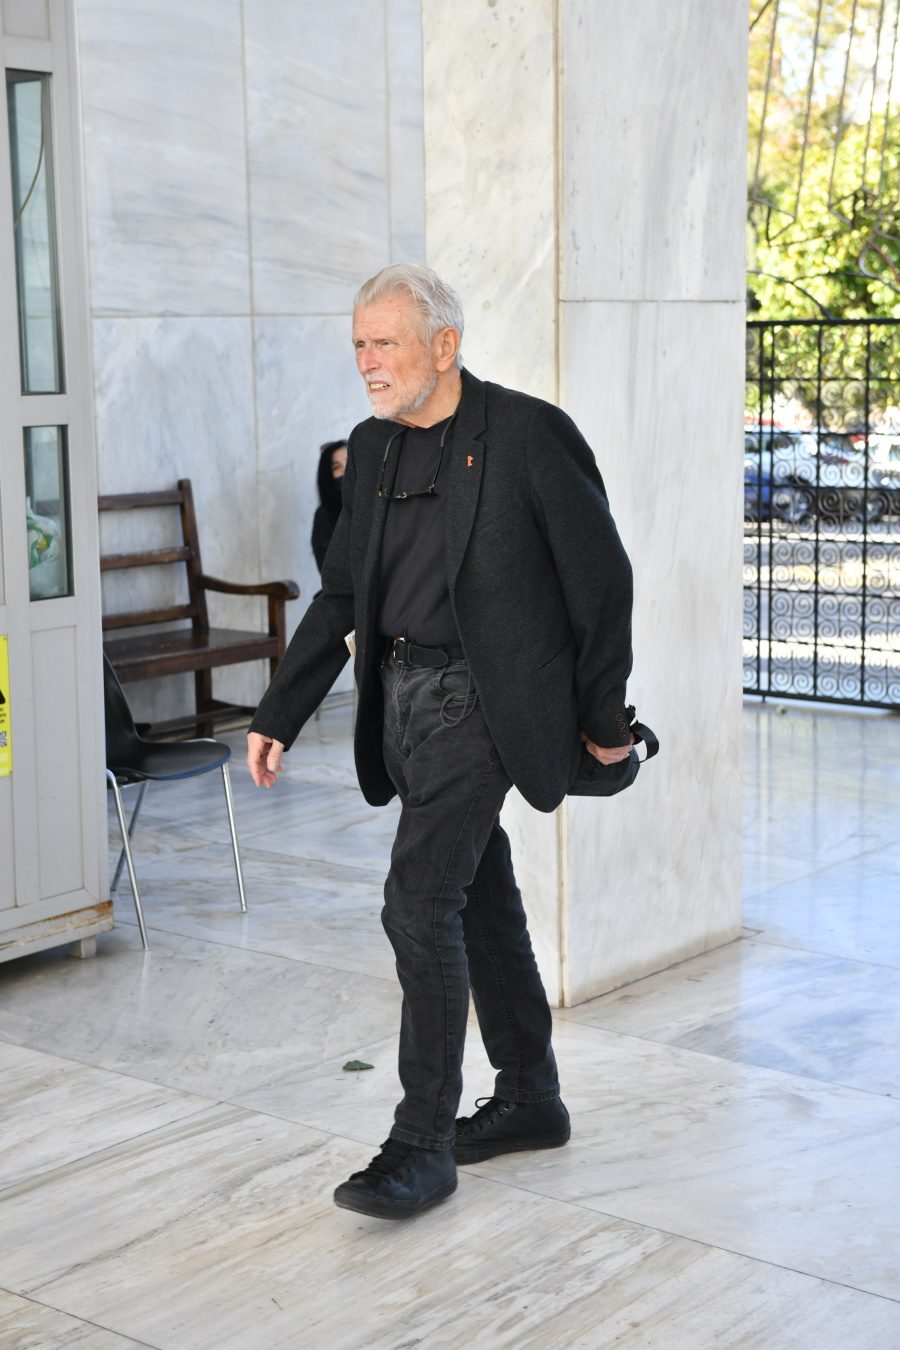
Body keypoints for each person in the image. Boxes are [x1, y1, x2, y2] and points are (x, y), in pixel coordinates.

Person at [247, 263, 634, 1221]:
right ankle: (531, 1096)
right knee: (478, 897)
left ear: (444, 346)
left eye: (384, 343)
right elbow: (342, 593)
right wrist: (279, 711)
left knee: (418, 906)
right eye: (359, 345)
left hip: (484, 705)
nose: (367, 362)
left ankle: (420, 1146)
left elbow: (602, 585)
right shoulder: (373, 447)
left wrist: (604, 724)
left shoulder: (527, 435)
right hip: (402, 700)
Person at [311, 440, 348, 573]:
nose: (345, 470)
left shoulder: (380, 505)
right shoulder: (324, 516)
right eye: (337, 467)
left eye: (350, 462)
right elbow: (328, 570)